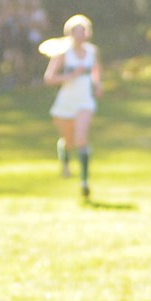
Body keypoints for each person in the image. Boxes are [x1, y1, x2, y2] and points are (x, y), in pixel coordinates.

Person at [43, 14, 103, 199]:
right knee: (69, 141)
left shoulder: (92, 52)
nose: (81, 34)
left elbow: (95, 70)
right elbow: (49, 78)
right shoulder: (63, 53)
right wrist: (69, 77)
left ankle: (84, 182)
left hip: (84, 101)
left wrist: (98, 84)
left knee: (81, 139)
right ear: (70, 33)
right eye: (77, 31)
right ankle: (65, 158)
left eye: (84, 30)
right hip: (66, 102)